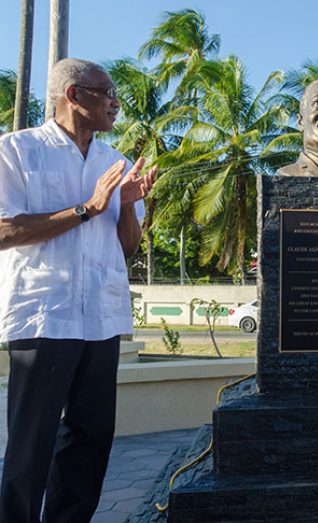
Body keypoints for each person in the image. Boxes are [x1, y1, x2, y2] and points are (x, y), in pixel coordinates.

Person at [0, 58, 156, 522]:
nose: (115, 103)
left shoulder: (117, 163)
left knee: (91, 439)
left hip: (102, 319)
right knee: (31, 445)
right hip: (44, 314)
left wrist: (126, 207)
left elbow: (127, 248)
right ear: (72, 95)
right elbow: (5, 230)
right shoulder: (17, 151)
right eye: (106, 93)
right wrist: (87, 208)